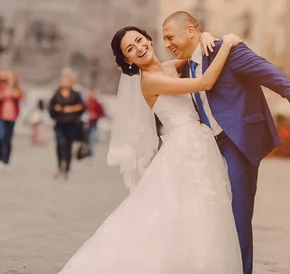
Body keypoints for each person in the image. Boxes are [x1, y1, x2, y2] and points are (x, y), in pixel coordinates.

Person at [57, 28, 243, 273]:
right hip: (184, 147)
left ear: (149, 39)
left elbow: (195, 55)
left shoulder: (168, 67)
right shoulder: (150, 80)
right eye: (130, 49)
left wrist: (206, 35)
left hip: (198, 143)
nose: (139, 48)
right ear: (128, 61)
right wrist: (228, 43)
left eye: (139, 40)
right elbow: (204, 82)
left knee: (199, 212)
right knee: (186, 211)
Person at [161, 11, 290, 274]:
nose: (167, 44)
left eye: (169, 37)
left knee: (238, 215)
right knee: (213, 215)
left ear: (190, 31)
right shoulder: (186, 65)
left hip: (238, 141)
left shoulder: (227, 50)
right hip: (209, 146)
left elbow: (264, 69)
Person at [49, 68, 84, 179]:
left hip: (71, 124)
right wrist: (56, 110)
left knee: (68, 146)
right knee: (59, 144)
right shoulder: (57, 93)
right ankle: (60, 166)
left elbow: (82, 107)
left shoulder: (76, 94)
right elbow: (51, 106)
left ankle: (67, 168)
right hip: (59, 123)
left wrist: (70, 109)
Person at [0, 71, 23, 171]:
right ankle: (0, 159)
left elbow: (19, 96)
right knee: (1, 137)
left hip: (11, 117)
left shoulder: (17, 88)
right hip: (1, 116)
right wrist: (5, 91)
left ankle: (6, 160)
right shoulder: (2, 87)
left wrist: (12, 89)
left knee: (8, 139)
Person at [84, 86, 105, 156]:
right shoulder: (84, 102)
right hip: (85, 124)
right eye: (88, 93)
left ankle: (90, 154)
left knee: (91, 140)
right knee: (85, 139)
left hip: (93, 124)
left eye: (91, 93)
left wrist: (95, 115)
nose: (89, 94)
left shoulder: (97, 103)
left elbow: (102, 113)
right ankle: (84, 152)